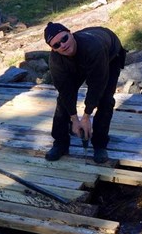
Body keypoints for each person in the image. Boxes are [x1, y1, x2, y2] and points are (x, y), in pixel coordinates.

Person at [43, 22, 127, 164]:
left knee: (105, 99)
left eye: (64, 39)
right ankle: (60, 143)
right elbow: (65, 91)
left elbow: (96, 85)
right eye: (56, 45)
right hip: (76, 62)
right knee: (63, 101)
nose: (62, 45)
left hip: (109, 56)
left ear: (70, 33)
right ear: (53, 49)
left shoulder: (93, 47)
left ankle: (100, 144)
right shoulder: (56, 60)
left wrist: (86, 117)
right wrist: (75, 119)